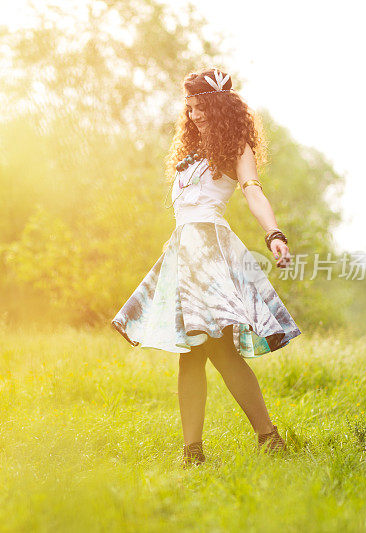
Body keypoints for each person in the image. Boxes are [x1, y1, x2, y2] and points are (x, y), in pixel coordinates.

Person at [110, 68, 302, 468]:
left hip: (212, 249)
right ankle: (197, 451)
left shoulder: (237, 147)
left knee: (221, 351)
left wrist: (274, 234)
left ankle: (268, 439)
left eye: (200, 107)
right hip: (183, 250)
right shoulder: (188, 153)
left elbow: (253, 191)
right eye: (190, 107)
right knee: (193, 353)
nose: (193, 115)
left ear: (218, 108)